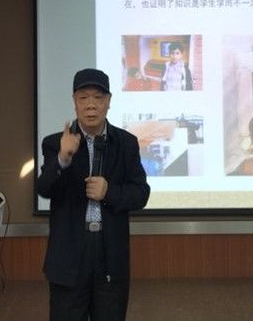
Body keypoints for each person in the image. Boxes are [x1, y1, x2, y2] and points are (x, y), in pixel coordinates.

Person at [37, 68, 151, 321]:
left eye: (98, 98)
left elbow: (141, 193)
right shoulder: (55, 143)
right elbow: (43, 188)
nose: (91, 105)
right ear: (74, 102)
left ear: (109, 101)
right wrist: (63, 158)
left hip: (110, 253)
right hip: (69, 253)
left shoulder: (126, 143)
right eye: (83, 98)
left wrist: (110, 192)